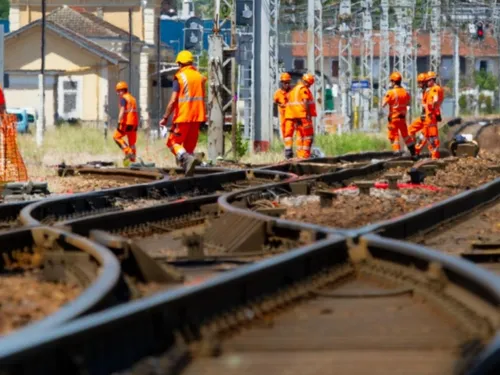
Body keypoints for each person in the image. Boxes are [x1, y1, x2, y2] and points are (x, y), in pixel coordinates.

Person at [160, 50, 206, 176]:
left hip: (183, 116)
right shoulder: (199, 77)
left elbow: (173, 100)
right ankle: (189, 172)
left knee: (172, 142)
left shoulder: (180, 77)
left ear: (180, 64)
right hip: (197, 117)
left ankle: (186, 159)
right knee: (189, 148)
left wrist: (165, 117)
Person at [381, 72, 416, 156]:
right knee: (405, 136)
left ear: (393, 82)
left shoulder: (391, 93)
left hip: (394, 118)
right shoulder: (405, 92)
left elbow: (383, 105)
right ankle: (413, 152)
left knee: (393, 136)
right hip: (402, 118)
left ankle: (397, 152)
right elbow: (408, 103)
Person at [283, 73, 316, 159]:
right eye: (309, 84)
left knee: (300, 135)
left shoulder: (294, 90)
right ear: (307, 82)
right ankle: (305, 155)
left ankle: (300, 155)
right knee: (308, 135)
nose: (309, 86)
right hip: (303, 115)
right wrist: (308, 114)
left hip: (295, 116)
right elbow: (305, 100)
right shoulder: (303, 89)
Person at [114, 81, 138, 166]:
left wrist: (119, 122)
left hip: (127, 123)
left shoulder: (123, 98)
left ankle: (128, 152)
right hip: (134, 124)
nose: (118, 93)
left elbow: (122, 110)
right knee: (132, 143)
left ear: (122, 90)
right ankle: (133, 161)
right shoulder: (132, 98)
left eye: (118, 91)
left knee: (116, 137)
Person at [419, 71, 442, 159]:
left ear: (432, 80)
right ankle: (433, 155)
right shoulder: (431, 89)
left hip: (431, 117)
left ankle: (435, 156)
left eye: (428, 80)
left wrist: (432, 106)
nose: (427, 82)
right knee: (428, 137)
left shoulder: (434, 89)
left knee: (433, 138)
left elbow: (435, 100)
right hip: (429, 117)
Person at [408, 72, 429, 156]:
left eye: (420, 82)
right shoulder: (423, 92)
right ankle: (413, 148)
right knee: (410, 129)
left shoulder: (429, 92)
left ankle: (416, 151)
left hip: (429, 118)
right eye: (418, 82)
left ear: (424, 82)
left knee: (423, 136)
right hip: (423, 117)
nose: (419, 84)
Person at [273, 72, 292, 140]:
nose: (286, 84)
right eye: (285, 83)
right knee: (283, 129)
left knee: (290, 129)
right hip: (282, 116)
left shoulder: (293, 92)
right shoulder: (278, 93)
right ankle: (286, 144)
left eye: (288, 82)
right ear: (282, 83)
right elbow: (274, 103)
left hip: (291, 116)